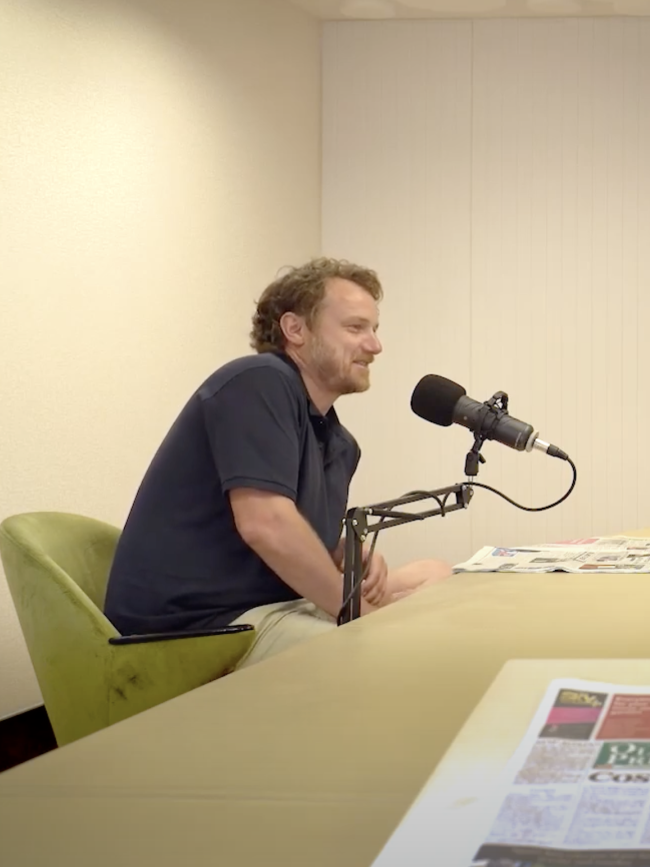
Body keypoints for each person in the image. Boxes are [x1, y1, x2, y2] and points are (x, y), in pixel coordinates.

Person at [104, 258, 453, 667]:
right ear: (295, 329)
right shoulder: (257, 382)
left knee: (435, 573)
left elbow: (297, 533)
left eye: (374, 329)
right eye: (356, 328)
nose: (375, 346)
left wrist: (348, 556)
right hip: (199, 625)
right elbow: (266, 525)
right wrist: (362, 616)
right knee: (400, 652)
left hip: (271, 604)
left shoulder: (339, 443)